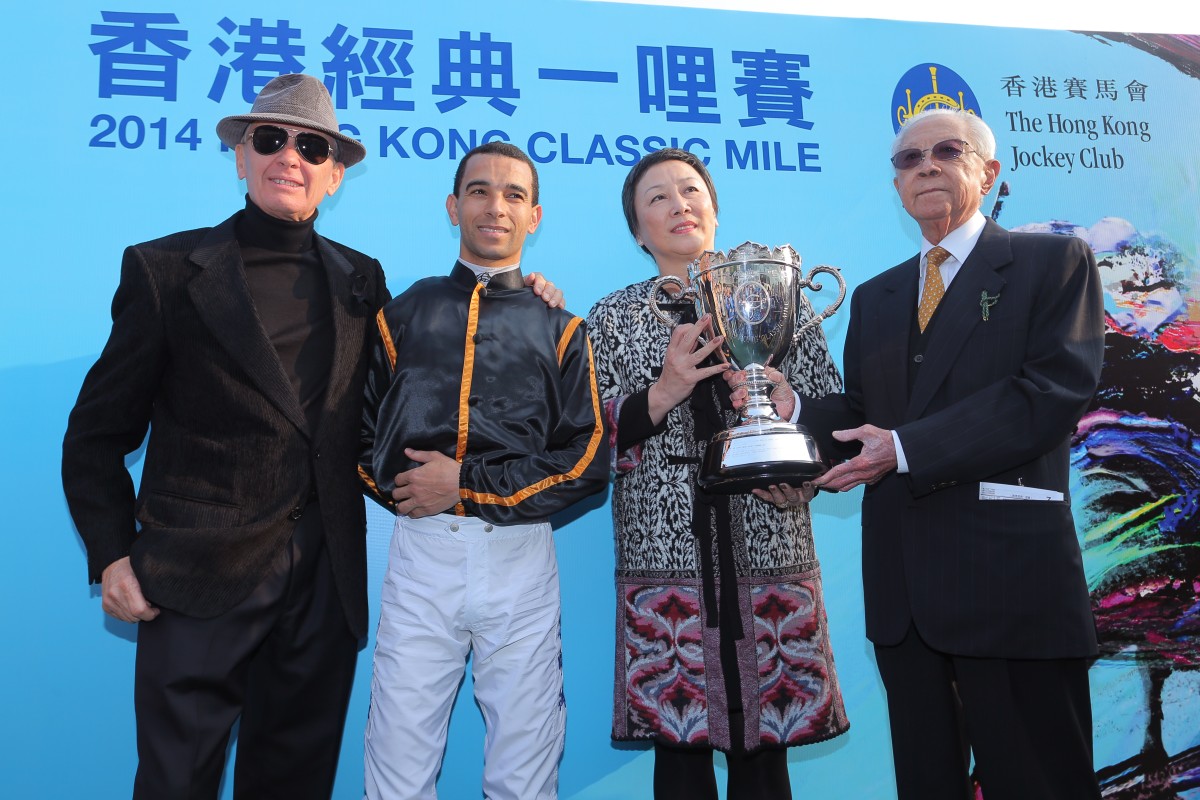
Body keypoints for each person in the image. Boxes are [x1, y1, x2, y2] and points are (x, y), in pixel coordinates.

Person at [60, 74, 561, 799]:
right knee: (176, 784)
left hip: (323, 588)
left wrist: (524, 299)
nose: (289, 156)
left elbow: (430, 381)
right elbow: (96, 432)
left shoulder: (362, 279)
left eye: (311, 146)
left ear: (334, 174)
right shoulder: (165, 271)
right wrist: (110, 553)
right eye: (270, 139)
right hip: (195, 579)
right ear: (240, 156)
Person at [793, 108, 1105, 799]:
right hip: (905, 596)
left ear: (988, 172)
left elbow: (1048, 394)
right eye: (908, 159)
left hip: (1010, 584)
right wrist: (786, 413)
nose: (925, 166)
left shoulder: (1053, 263)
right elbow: (866, 413)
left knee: (1039, 781)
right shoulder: (878, 296)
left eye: (945, 151)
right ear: (897, 184)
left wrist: (903, 448)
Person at [585, 148, 849, 800]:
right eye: (657, 198)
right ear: (637, 230)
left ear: (714, 207)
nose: (679, 205)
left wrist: (801, 465)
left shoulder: (773, 293)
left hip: (768, 535)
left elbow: (831, 417)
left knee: (767, 750)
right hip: (665, 548)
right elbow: (589, 433)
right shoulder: (614, 317)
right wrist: (665, 391)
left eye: (690, 191)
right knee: (680, 746)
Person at [358, 141, 608, 800]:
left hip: (520, 558)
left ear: (535, 215)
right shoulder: (402, 314)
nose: (495, 206)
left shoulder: (561, 325)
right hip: (422, 554)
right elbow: (356, 434)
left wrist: (463, 487)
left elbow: (587, 460)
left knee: (525, 766)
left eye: (514, 194)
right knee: (396, 759)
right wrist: (412, 492)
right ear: (452, 205)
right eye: (479, 190)